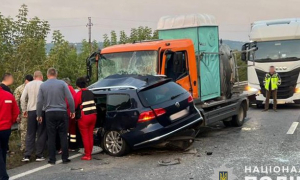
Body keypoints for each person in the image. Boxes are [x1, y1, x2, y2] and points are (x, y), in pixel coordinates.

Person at [36, 68, 75, 165]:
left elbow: (39, 101)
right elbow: (70, 98)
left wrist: (39, 114)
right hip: (62, 112)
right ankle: (65, 158)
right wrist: (72, 110)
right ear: (56, 74)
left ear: (47, 75)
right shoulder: (63, 84)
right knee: (63, 135)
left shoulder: (43, 85)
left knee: (51, 136)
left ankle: (52, 159)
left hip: (49, 113)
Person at [21, 71, 46, 162]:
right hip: (42, 111)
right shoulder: (44, 85)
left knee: (30, 133)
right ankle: (39, 154)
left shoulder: (28, 85)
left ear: (34, 76)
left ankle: (27, 155)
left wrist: (24, 110)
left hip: (31, 111)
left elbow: (22, 98)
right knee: (41, 132)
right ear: (41, 77)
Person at [74, 77, 97, 160]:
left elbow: (75, 105)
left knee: (85, 136)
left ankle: (87, 155)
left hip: (84, 117)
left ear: (78, 86)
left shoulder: (79, 93)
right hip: (93, 115)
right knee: (90, 135)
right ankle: (90, 152)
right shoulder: (91, 92)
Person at [0, 86, 19, 180]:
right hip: (6, 129)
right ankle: (2, 171)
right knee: (3, 150)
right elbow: (16, 111)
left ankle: (3, 175)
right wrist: (10, 122)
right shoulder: (9, 96)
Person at [14, 74, 33, 152]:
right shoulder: (34, 87)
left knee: (24, 130)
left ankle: (24, 147)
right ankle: (30, 147)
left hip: (24, 112)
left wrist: (17, 115)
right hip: (33, 111)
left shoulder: (19, 89)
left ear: (25, 80)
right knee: (31, 130)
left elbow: (16, 102)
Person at [62, 78, 77, 150]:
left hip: (67, 112)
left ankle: (65, 146)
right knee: (72, 130)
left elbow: (66, 102)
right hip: (73, 112)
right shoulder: (73, 90)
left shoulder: (66, 89)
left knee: (66, 130)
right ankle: (73, 146)